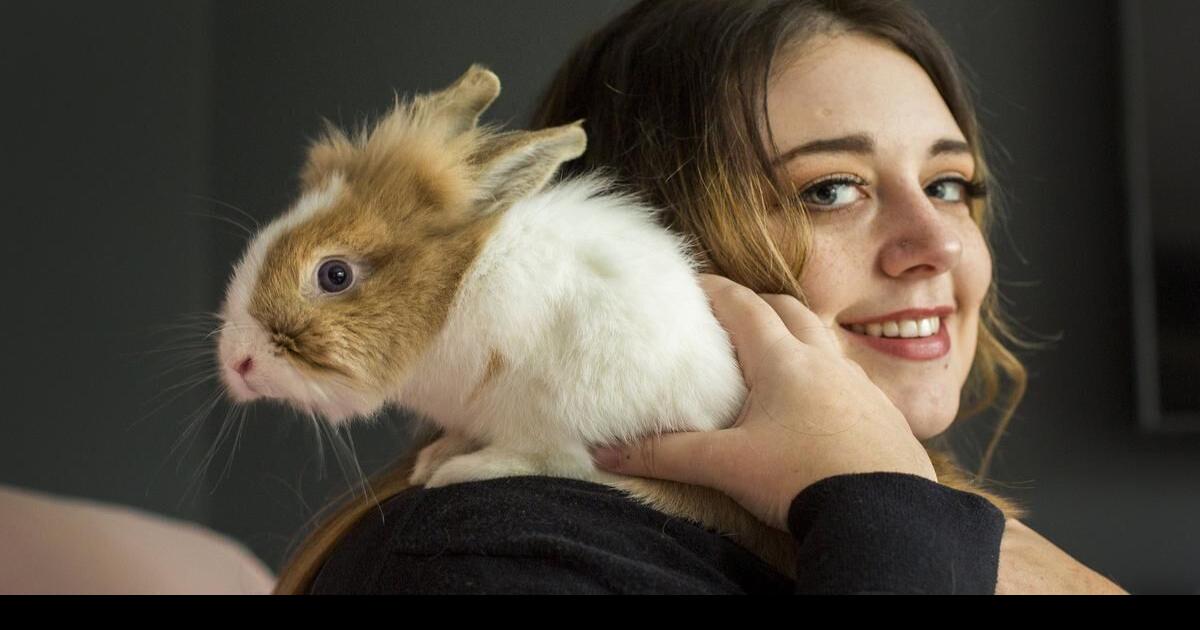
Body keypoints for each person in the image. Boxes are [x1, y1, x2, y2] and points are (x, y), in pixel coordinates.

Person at [283, 0, 1127, 594]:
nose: (940, 242)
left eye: (949, 184)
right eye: (830, 190)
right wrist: (889, 515)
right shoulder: (479, 555)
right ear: (628, 248)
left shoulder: (958, 543)